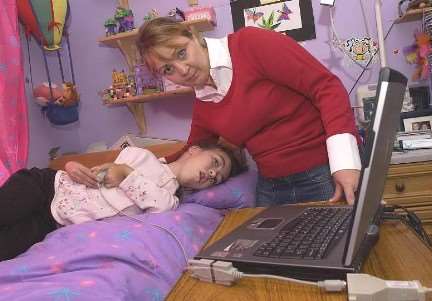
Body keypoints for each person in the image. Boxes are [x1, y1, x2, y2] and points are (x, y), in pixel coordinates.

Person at [136, 17, 361, 207]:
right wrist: (133, 169)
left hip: (322, 172)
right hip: (271, 186)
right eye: (168, 69)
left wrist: (344, 163)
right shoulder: (204, 103)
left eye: (181, 53)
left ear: (193, 35)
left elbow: (326, 87)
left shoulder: (250, 44)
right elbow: (189, 151)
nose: (182, 71)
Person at [0, 142, 244, 261]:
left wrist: (127, 174)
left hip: (52, 222)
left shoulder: (170, 203)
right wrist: (73, 166)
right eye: (214, 163)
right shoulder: (141, 155)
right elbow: (100, 174)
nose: (212, 174)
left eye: (216, 179)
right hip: (47, 186)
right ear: (194, 150)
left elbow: (159, 207)